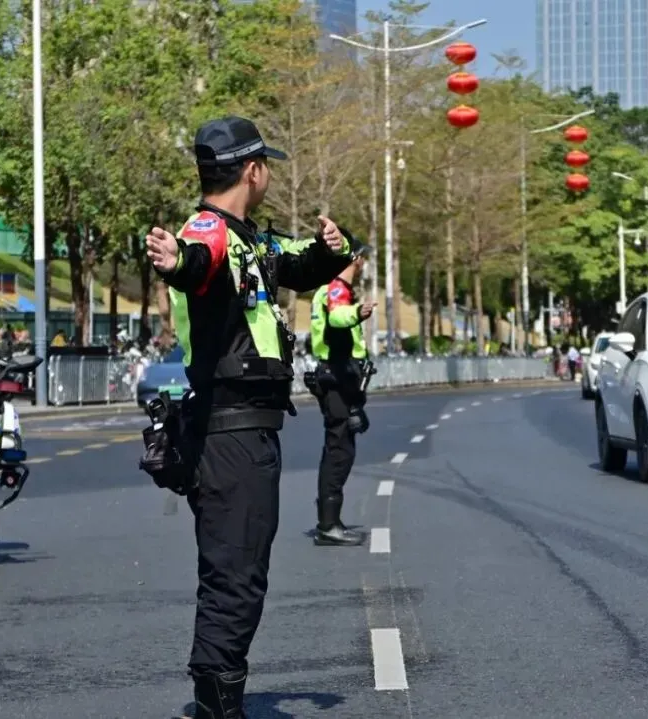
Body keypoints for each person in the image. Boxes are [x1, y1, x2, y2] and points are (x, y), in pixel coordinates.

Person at [144, 115, 353, 719]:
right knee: (235, 572)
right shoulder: (210, 230)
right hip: (228, 427)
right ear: (254, 170)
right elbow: (197, 259)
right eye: (268, 168)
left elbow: (301, 266)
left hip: (249, 427)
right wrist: (176, 262)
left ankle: (219, 695)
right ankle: (217, 702)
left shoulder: (253, 242)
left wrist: (333, 247)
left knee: (243, 567)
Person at [307, 240, 374, 547]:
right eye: (363, 259)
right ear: (355, 259)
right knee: (339, 450)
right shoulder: (336, 289)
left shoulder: (331, 289)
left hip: (338, 376)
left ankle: (330, 520)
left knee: (338, 447)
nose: (364, 266)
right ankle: (328, 525)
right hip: (337, 376)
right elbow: (337, 317)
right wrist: (357, 312)